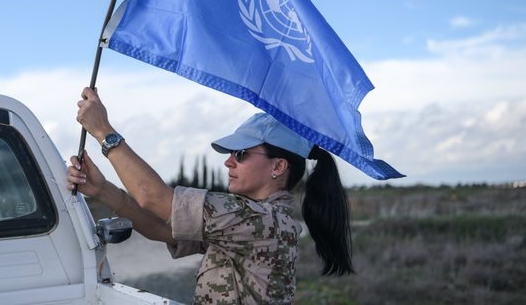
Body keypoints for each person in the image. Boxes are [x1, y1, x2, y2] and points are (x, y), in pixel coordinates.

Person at [68, 87, 354, 304]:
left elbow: (152, 197)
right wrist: (103, 190)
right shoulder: (256, 220)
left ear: (278, 166)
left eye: (241, 154)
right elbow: (162, 229)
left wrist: (104, 132)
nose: (229, 162)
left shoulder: (259, 219)